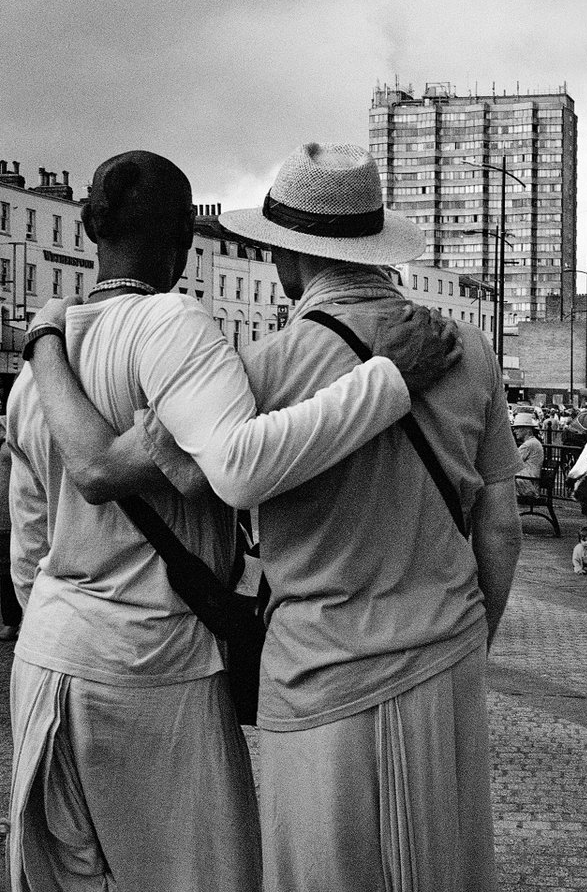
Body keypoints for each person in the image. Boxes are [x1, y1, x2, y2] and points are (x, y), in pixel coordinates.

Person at [8, 148, 461, 891]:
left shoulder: (35, 376)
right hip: (153, 664)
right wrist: (385, 381)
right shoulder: (173, 324)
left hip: (46, 659)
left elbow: (29, 550)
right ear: (183, 242)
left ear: (93, 232)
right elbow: (233, 463)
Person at [0, 417, 19, 641]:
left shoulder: (9, 443)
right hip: (4, 519)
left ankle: (12, 622)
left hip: (12, 518)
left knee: (9, 570)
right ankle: (11, 621)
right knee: (4, 573)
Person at [513, 411, 544, 499]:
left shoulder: (528, 445)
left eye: (518, 428)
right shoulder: (535, 442)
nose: (515, 431)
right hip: (530, 482)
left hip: (527, 484)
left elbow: (512, 462)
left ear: (527, 430)